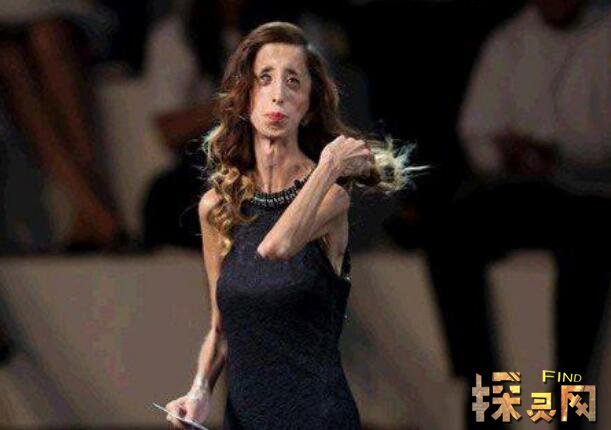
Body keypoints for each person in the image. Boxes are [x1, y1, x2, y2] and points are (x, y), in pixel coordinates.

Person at [163, 21, 420, 429]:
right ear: (245, 95)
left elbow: (275, 247)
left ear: (310, 105)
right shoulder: (218, 206)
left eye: (293, 81)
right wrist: (199, 392)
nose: (278, 94)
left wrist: (329, 166)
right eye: (264, 78)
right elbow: (221, 327)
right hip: (244, 419)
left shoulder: (330, 198)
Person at [424, 0, 611, 427]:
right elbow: (476, 130)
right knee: (451, 232)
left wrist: (560, 152)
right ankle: (487, 396)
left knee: (586, 259)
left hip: (594, 195)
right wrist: (506, 154)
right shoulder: (510, 40)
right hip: (526, 190)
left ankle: (569, 410)